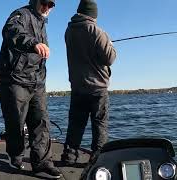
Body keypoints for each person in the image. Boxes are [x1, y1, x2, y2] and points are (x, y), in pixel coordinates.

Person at [0, 0, 61, 178]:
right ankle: (15, 154)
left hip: (37, 81)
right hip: (13, 79)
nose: (47, 8)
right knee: (16, 121)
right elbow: (11, 31)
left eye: (51, 5)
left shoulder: (42, 23)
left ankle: (42, 162)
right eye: (44, 3)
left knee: (41, 120)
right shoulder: (21, 14)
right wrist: (33, 43)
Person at [61, 0, 117, 165]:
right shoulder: (98, 32)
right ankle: (98, 159)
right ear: (93, 15)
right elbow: (110, 58)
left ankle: (69, 156)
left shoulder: (68, 31)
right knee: (99, 125)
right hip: (97, 89)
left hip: (77, 87)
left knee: (75, 125)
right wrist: (110, 45)